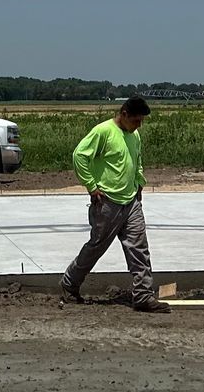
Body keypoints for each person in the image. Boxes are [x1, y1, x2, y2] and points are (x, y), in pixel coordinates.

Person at [59, 96, 167, 313]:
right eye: (136, 120)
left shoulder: (134, 135)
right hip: (107, 202)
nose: (139, 125)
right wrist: (91, 185)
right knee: (96, 246)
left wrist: (139, 183)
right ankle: (69, 284)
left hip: (131, 202)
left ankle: (143, 296)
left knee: (139, 248)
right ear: (124, 114)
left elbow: (136, 161)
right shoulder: (103, 132)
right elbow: (79, 156)